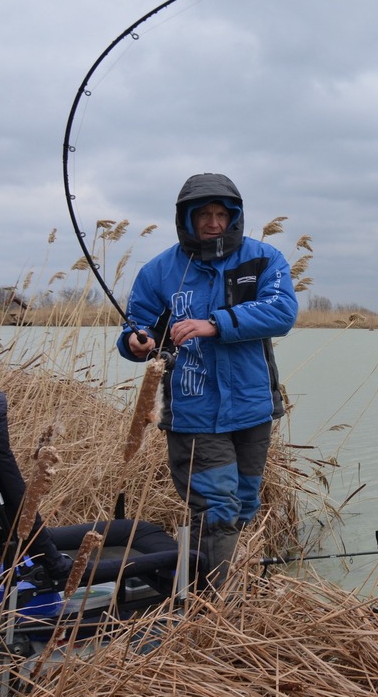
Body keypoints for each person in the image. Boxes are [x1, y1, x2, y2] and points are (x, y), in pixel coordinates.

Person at [117, 173, 298, 587]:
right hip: (193, 414)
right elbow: (134, 329)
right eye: (204, 214)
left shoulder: (264, 259)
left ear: (233, 217)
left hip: (252, 410)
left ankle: (196, 588)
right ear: (187, 218)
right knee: (216, 508)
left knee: (243, 505)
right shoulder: (159, 271)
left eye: (221, 214)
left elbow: (282, 313)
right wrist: (134, 341)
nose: (213, 223)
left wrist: (214, 324)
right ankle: (215, 609)